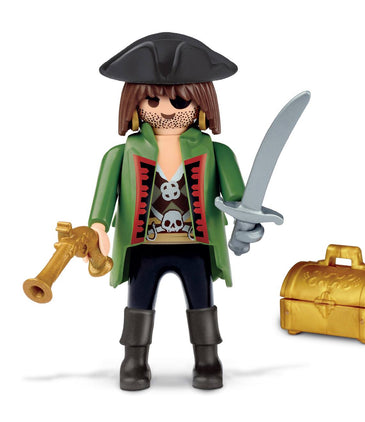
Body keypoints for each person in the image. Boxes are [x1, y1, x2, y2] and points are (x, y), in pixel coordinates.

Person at [88, 33, 263, 391]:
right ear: (134, 104)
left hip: (195, 244)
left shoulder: (217, 152)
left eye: (180, 101)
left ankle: (208, 359)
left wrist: (247, 221)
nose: (166, 110)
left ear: (202, 104)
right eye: (153, 100)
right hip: (143, 245)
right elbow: (103, 203)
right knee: (138, 302)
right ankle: (134, 360)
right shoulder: (121, 155)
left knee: (202, 302)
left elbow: (237, 199)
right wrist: (98, 230)